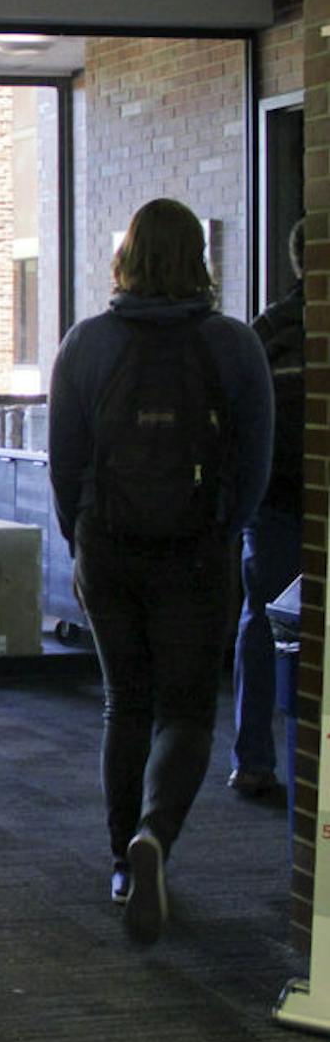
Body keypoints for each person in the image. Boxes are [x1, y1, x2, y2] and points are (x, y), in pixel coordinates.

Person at [48, 198, 273, 943]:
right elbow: (256, 461)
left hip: (109, 548)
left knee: (126, 704)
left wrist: (80, 542)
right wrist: (225, 532)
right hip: (197, 552)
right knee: (187, 710)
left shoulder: (86, 343)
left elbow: (66, 462)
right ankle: (155, 837)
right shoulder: (234, 345)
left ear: (126, 257)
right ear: (199, 261)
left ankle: (121, 858)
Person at [230, 218, 305, 797]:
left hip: (271, 502)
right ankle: (257, 755)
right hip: (280, 504)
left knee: (262, 622)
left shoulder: (266, 331)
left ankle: (254, 758)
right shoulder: (272, 332)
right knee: (265, 624)